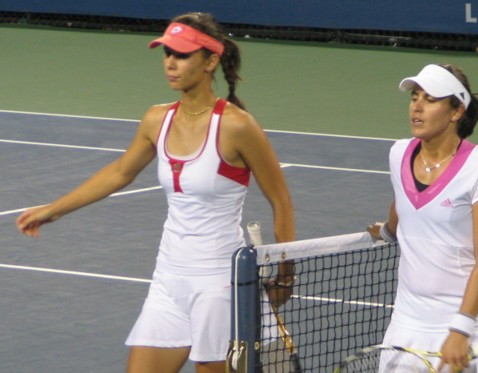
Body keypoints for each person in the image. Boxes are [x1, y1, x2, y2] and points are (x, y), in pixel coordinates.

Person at [16, 12, 295, 373]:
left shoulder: (237, 125)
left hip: (218, 285)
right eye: (166, 54)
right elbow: (119, 173)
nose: (170, 64)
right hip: (168, 278)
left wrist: (287, 274)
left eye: (181, 55)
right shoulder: (156, 119)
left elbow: (281, 199)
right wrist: (54, 210)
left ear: (210, 61)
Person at [368, 64, 478, 372]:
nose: (416, 107)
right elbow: (403, 207)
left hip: (465, 324)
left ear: (456, 111)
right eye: (414, 97)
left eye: (430, 99)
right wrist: (387, 231)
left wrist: (461, 329)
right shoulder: (398, 154)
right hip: (406, 323)